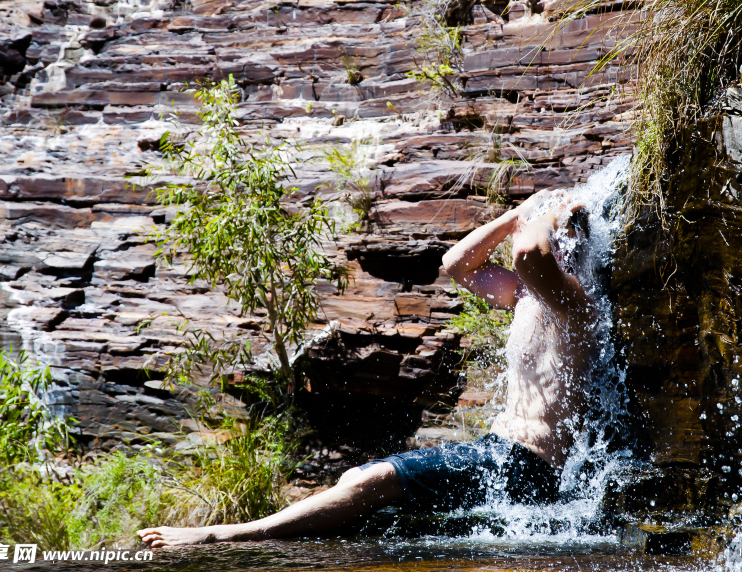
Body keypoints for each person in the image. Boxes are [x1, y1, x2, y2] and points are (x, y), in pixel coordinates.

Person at [137, 189, 596, 547]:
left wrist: (547, 214)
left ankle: (223, 535)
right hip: (499, 453)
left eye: (531, 229)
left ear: (560, 242)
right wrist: (518, 215)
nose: (520, 234)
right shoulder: (524, 296)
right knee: (362, 484)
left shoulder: (575, 304)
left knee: (368, 479)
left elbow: (528, 255)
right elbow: (455, 264)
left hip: (527, 466)